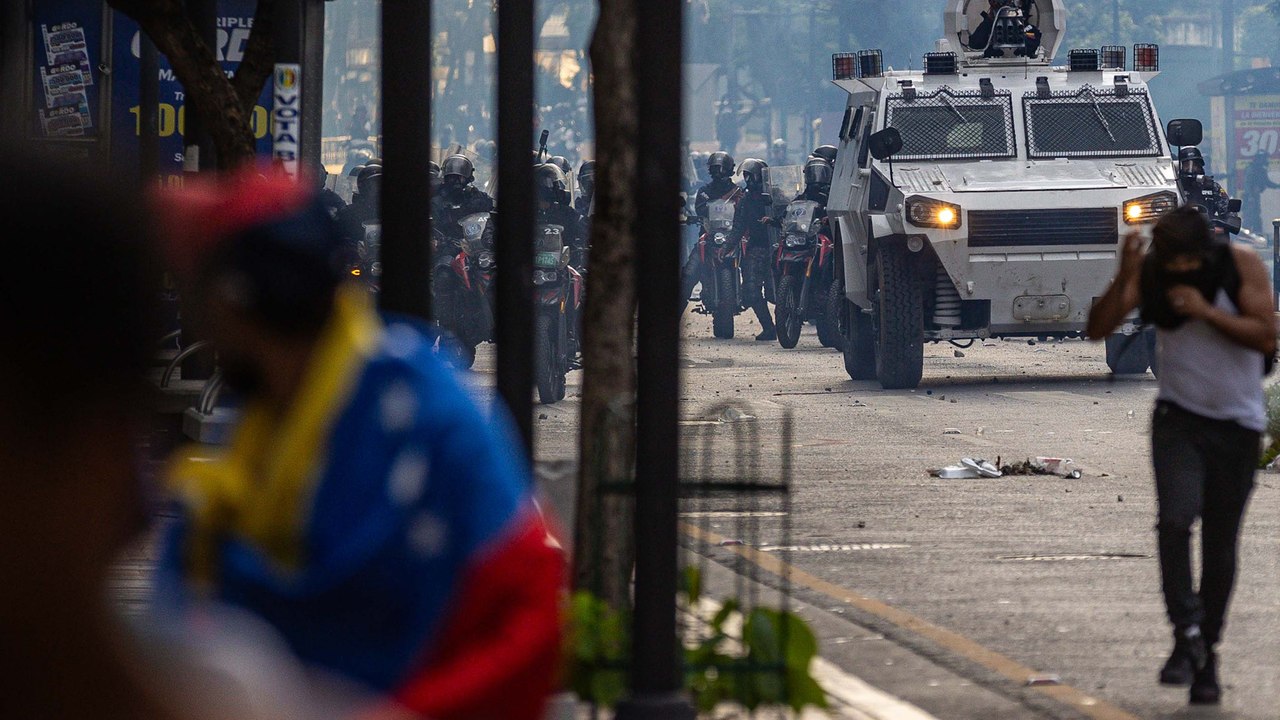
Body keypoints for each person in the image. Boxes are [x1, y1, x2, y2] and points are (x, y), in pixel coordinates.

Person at [153, 173, 564, 720]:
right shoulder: (253, 442)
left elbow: (531, 614)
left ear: (235, 303)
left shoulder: (421, 412)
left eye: (200, 296)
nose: (197, 321)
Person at [1086, 206, 1275, 706]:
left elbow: (1266, 336)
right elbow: (1098, 328)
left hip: (1237, 426)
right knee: (1174, 520)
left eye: (1189, 262)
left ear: (1206, 249)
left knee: (1220, 541)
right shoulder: (1154, 269)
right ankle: (1185, 628)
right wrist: (1125, 274)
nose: (1181, 271)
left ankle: (1205, 652)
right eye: (1173, 263)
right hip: (1178, 421)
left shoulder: (1240, 265)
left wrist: (1206, 311)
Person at [681, 152, 743, 311]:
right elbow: (700, 209)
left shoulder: (738, 192)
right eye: (714, 169)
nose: (718, 173)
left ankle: (749, 296)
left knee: (753, 276)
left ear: (729, 170)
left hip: (733, 237)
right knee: (688, 275)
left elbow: (745, 212)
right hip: (708, 237)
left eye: (721, 169)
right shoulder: (704, 191)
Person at [732, 158, 776, 341]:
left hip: (777, 248)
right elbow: (738, 226)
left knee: (777, 292)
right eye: (746, 176)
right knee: (751, 291)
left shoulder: (775, 195)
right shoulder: (745, 200)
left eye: (751, 176)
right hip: (756, 248)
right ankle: (769, 327)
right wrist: (727, 246)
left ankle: (787, 326)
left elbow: (787, 217)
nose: (748, 180)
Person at [534, 163, 587, 268]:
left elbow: (584, 233)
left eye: (556, 182)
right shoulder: (524, 215)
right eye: (549, 182)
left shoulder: (567, 213)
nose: (556, 186)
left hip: (565, 269)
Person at [432, 155, 494, 242]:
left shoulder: (476, 196)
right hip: (447, 245)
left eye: (461, 178)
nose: (457, 182)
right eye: (452, 178)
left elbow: (491, 214)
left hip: (474, 243)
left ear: (468, 179)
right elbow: (435, 229)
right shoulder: (437, 202)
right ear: (445, 178)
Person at [1176, 147, 1231, 221]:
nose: (1191, 169)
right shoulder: (1175, 187)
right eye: (1186, 165)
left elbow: (1227, 211)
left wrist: (1231, 219)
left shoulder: (1212, 187)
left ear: (1200, 167)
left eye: (1195, 165)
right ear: (1180, 167)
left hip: (1207, 227)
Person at [1242, 154, 1279, 235]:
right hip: (1249, 197)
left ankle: (1258, 234)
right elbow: (1247, 183)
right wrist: (1250, 196)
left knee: (1256, 217)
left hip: (1255, 196)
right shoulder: (1252, 169)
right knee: (1249, 217)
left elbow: (1267, 182)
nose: (1267, 161)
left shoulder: (1261, 170)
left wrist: (1277, 186)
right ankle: (1245, 235)